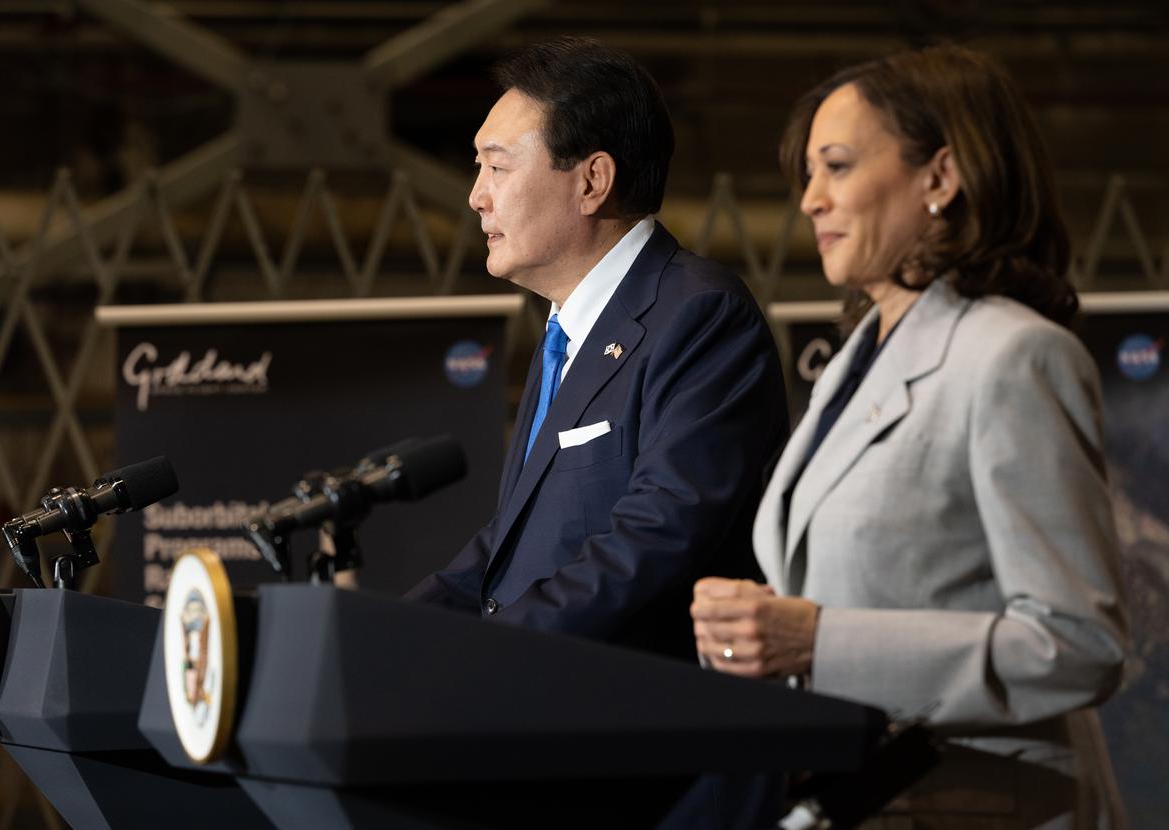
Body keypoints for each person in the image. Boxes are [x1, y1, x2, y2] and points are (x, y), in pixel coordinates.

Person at [690, 45, 1129, 828]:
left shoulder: (1013, 357)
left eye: (837, 166)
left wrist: (817, 638)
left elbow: (1077, 646)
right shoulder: (853, 365)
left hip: (987, 803)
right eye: (809, 176)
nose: (810, 202)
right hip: (863, 796)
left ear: (940, 178)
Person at [407, 37, 788, 664]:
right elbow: (513, 543)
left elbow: (654, 537)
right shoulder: (567, 332)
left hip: (643, 725)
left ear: (593, 181)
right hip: (552, 703)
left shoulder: (698, 315)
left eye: (497, 168)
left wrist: (486, 651)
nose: (477, 196)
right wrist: (387, 631)